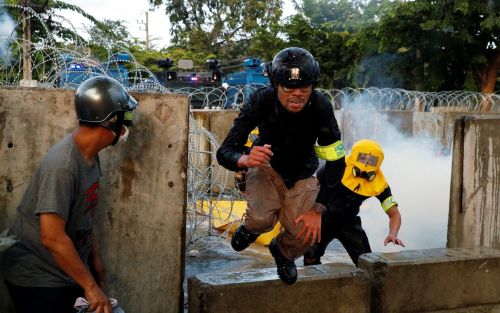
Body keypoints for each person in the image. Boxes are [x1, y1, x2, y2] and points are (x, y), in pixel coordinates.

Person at [2, 76, 137, 313]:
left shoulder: (90, 156)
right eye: (125, 117)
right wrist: (91, 287)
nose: (128, 125)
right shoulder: (63, 165)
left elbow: (82, 214)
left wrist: (94, 259)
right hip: (37, 277)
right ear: (110, 121)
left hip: (63, 270)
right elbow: (51, 237)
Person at [216, 47, 346, 284]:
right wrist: (244, 159)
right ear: (275, 85)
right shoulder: (260, 100)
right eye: (288, 88)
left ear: (313, 87)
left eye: (304, 89)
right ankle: (251, 229)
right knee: (262, 219)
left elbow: (337, 161)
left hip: (302, 173)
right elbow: (224, 151)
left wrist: (318, 209)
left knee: (309, 231)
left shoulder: (320, 107)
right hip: (266, 166)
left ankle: (282, 252)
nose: (297, 95)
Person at [303, 139, 405, 267]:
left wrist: (392, 234)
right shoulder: (337, 166)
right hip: (323, 219)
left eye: (372, 160)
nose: (366, 163)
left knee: (367, 262)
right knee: (310, 256)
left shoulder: (380, 184)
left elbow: (394, 214)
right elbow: (311, 187)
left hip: (349, 223)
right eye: (363, 158)